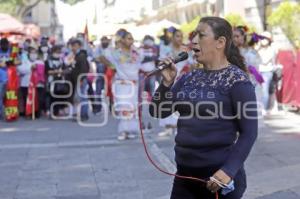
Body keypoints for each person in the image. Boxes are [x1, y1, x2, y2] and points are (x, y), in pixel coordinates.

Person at [150, 17, 258, 199]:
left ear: (220, 42)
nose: (193, 41)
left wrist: (228, 170)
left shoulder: (238, 81)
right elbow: (158, 111)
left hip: (218, 181)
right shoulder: (188, 78)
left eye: (201, 35)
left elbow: (249, 133)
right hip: (184, 177)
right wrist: (166, 84)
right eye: (193, 36)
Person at [158, 29, 194, 137]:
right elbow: (161, 63)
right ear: (172, 37)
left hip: (182, 80)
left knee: (181, 103)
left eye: (181, 36)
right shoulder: (166, 49)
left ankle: (180, 126)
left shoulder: (186, 50)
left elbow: (191, 63)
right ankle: (168, 127)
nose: (180, 38)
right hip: (169, 78)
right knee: (167, 101)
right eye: (177, 36)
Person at [107, 30, 142, 140]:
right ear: (122, 40)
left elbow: (141, 64)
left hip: (133, 84)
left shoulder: (136, 53)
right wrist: (115, 42)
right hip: (122, 84)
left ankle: (131, 130)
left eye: (131, 38)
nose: (130, 41)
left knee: (132, 107)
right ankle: (123, 131)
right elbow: (105, 55)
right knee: (123, 106)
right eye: (128, 38)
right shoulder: (116, 53)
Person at [69, 39, 90, 121]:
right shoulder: (77, 56)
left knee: (82, 97)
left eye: (74, 46)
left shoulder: (81, 56)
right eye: (72, 46)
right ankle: (82, 114)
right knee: (80, 97)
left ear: (79, 46)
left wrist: (81, 78)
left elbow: (84, 69)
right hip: (77, 79)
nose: (73, 48)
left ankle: (83, 114)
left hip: (80, 79)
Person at [257, 31, 278, 114]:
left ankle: (263, 109)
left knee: (264, 91)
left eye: (265, 38)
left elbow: (264, 60)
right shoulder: (258, 48)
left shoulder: (271, 49)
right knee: (257, 90)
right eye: (261, 38)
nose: (263, 40)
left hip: (267, 71)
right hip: (258, 71)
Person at [0, 38, 11, 120]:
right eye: (2, 45)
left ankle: (10, 112)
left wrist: (9, 63)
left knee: (10, 96)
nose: (4, 46)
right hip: (1, 78)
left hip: (11, 77)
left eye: (6, 44)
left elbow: (18, 61)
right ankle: (0, 113)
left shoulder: (12, 51)